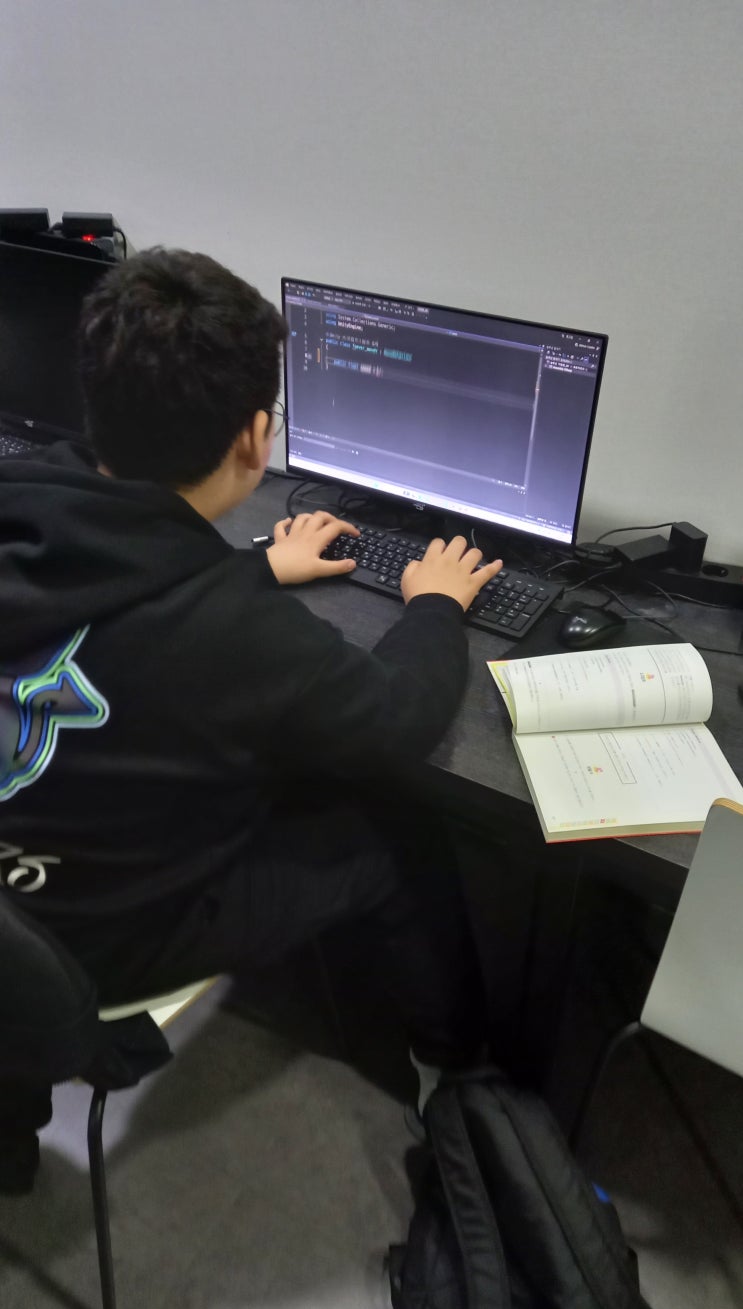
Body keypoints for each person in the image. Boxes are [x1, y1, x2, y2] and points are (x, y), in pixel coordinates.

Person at [0, 248, 503, 1190]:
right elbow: (396, 716)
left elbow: (116, 598)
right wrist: (436, 603)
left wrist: (253, 564)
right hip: (93, 944)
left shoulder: (21, 502)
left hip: (17, 901)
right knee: (392, 824)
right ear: (254, 439)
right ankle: (467, 1071)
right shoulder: (237, 635)